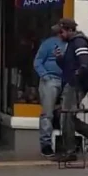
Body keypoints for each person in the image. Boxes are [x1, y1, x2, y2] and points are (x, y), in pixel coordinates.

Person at [54, 18, 88, 162]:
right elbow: (71, 66)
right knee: (68, 118)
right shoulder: (72, 43)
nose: (59, 35)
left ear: (70, 30)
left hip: (74, 86)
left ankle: (70, 151)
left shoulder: (78, 43)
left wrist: (75, 77)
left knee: (66, 117)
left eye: (61, 32)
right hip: (72, 84)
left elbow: (85, 63)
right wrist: (60, 59)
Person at [33, 25, 64, 158]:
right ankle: (46, 145)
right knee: (48, 114)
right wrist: (45, 76)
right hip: (50, 80)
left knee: (66, 114)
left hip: (65, 81)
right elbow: (37, 61)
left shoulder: (70, 44)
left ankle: (65, 143)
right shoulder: (48, 44)